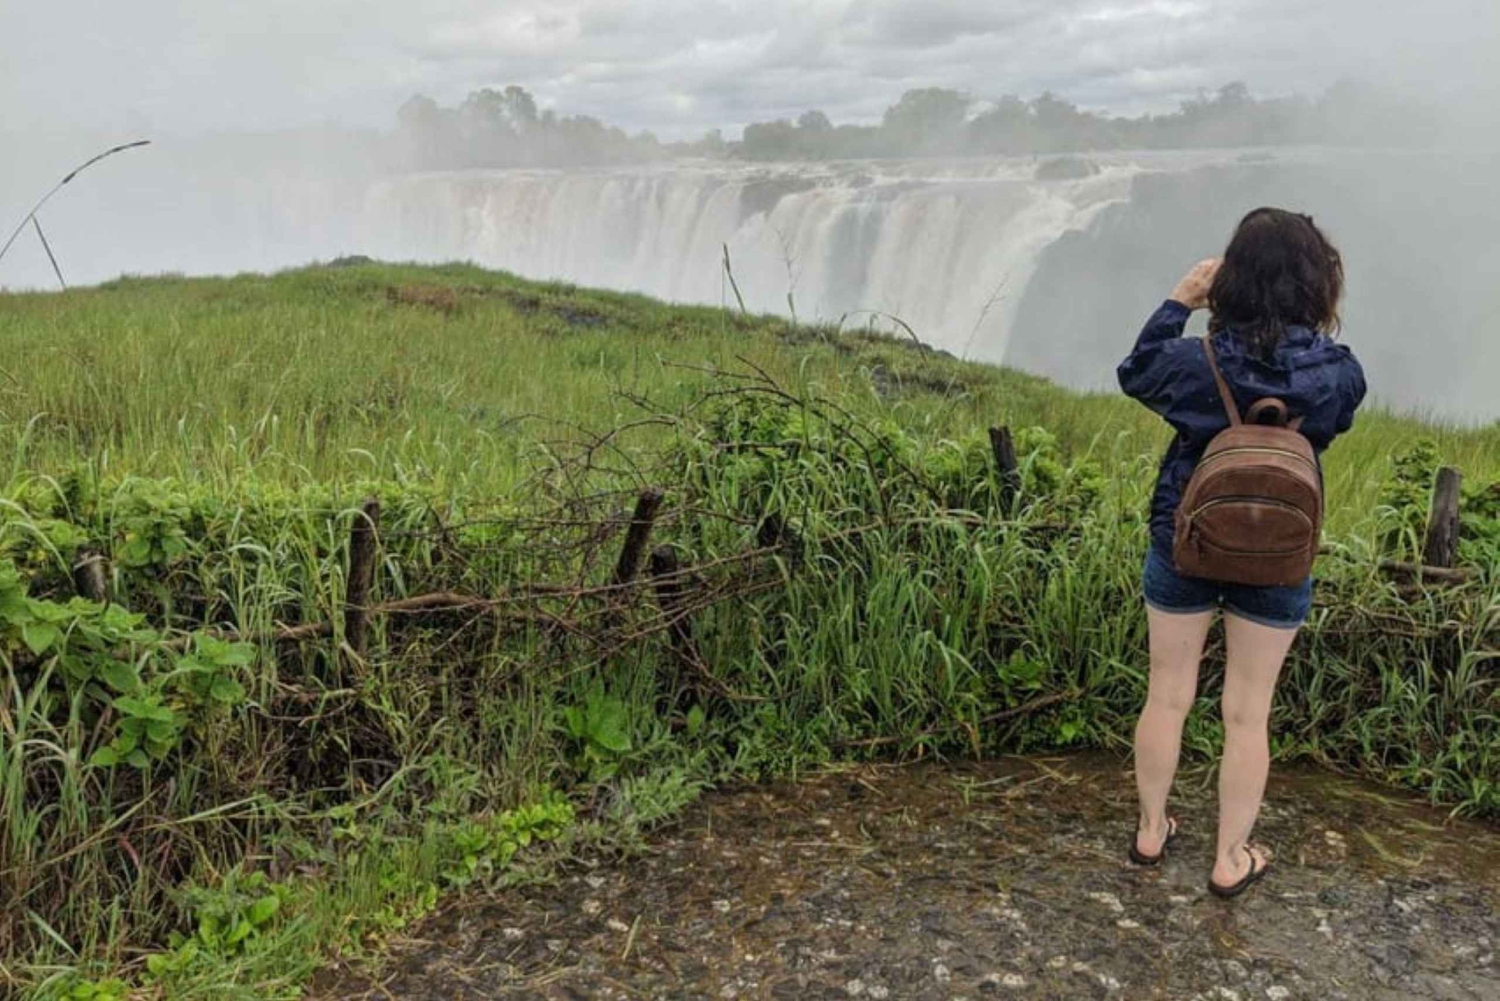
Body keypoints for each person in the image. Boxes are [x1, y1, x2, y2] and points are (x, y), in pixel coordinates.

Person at [1116, 207, 1366, 897]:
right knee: (1248, 711)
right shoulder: (1338, 372)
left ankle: (1150, 829)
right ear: (1317, 285)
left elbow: (1135, 371)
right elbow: (1335, 421)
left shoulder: (1195, 362)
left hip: (1185, 539)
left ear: (1232, 279)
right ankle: (1230, 856)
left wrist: (1180, 300)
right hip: (1281, 553)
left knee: (1167, 693)